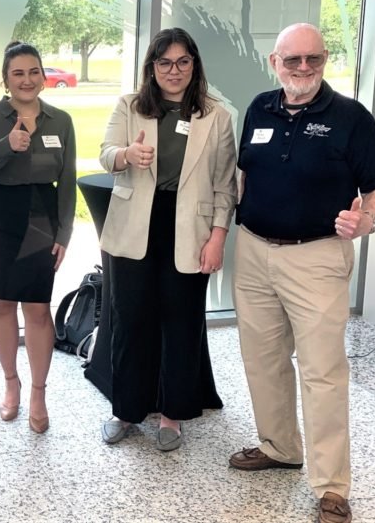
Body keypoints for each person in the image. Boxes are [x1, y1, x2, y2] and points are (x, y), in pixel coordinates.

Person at [232, 23, 375, 523]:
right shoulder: (260, 108)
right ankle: (280, 447)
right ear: (274, 63)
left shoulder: (351, 118)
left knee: (323, 373)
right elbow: (244, 173)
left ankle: (331, 487)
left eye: (314, 60)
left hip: (317, 257)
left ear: (325, 60)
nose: (303, 69)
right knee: (263, 360)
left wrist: (366, 219)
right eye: (292, 60)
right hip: (255, 253)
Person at [97, 28, 236, 451]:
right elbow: (105, 152)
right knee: (130, 320)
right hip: (135, 226)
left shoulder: (216, 115)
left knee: (182, 323)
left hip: (190, 229)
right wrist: (126, 156)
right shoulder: (130, 106)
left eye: (182, 62)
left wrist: (217, 238)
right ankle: (126, 410)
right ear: (151, 68)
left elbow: (225, 185)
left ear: (194, 65)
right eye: (164, 62)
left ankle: (173, 415)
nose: (173, 71)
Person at [0, 41, 76, 434]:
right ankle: (11, 384)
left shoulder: (60, 121)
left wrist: (64, 231)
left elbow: (68, 179)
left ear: (43, 76)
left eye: (33, 72)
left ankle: (39, 393)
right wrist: (5, 146)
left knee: (39, 308)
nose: (27, 80)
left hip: (42, 212)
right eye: (18, 73)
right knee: (2, 301)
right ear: (5, 80)